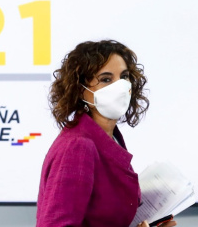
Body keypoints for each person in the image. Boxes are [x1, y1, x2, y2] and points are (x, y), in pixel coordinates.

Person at [36, 40, 176, 227]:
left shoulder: (109, 138)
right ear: (80, 90)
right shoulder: (78, 146)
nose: (120, 87)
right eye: (106, 79)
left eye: (124, 76)